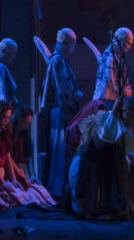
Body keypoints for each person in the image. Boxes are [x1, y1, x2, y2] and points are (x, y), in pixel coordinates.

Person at [68, 96, 134, 220]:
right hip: (85, 172)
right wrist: (115, 111)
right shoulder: (105, 120)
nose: (133, 121)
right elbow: (104, 138)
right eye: (130, 116)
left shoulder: (118, 125)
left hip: (98, 171)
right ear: (121, 111)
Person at [0, 101, 55, 206]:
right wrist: (3, 183)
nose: (6, 121)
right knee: (16, 197)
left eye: (8, 118)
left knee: (35, 192)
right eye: (4, 117)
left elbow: (7, 156)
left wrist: (14, 179)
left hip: (3, 176)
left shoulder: (4, 131)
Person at [41, 28, 82, 195]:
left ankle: (57, 187)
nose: (73, 48)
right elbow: (62, 87)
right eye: (72, 44)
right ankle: (56, 188)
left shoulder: (57, 60)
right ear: (65, 43)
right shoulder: (58, 60)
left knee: (60, 147)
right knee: (59, 147)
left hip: (59, 109)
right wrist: (75, 95)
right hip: (59, 109)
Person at [93, 28, 134, 105]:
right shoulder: (109, 59)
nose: (129, 47)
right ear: (120, 40)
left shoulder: (117, 58)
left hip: (112, 101)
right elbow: (110, 81)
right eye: (128, 43)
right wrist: (125, 91)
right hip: (108, 101)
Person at [10, 106, 35, 179]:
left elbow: (28, 156)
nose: (26, 127)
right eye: (24, 123)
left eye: (28, 124)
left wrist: (32, 174)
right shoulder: (8, 132)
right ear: (18, 120)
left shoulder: (24, 134)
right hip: (10, 167)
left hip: (21, 166)